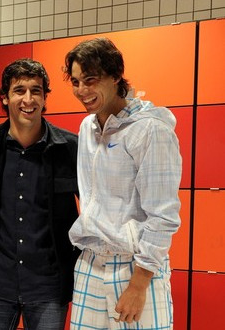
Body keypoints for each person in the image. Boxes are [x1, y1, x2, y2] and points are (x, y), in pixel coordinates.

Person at [64, 37, 182, 329]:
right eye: (76, 82)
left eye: (90, 80)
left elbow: (163, 215)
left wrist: (139, 285)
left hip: (135, 267)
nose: (82, 91)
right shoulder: (87, 126)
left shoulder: (150, 130)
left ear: (116, 76)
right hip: (90, 261)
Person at [0, 58, 80, 330]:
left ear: (45, 98)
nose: (28, 99)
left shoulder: (70, 148)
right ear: (5, 98)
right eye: (19, 90)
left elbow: (92, 208)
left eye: (36, 90)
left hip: (49, 286)